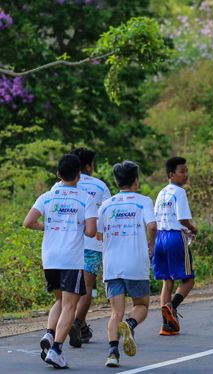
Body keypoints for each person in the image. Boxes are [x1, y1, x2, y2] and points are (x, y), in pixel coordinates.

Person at [24, 154, 98, 369]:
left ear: (58, 174)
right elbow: (92, 232)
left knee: (59, 300)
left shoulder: (47, 196)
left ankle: (49, 333)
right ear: (79, 176)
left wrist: (47, 227)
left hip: (50, 257)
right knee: (70, 305)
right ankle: (56, 349)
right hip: (70, 259)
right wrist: (78, 227)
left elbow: (28, 222)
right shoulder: (86, 198)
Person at [97, 161, 156, 367]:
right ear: (136, 181)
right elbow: (152, 225)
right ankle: (130, 325)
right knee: (141, 305)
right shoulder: (144, 201)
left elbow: (98, 234)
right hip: (135, 264)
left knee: (115, 312)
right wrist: (150, 245)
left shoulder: (106, 204)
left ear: (116, 181)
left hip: (112, 265)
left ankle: (112, 354)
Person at [50, 148, 110, 348]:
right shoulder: (100, 186)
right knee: (86, 289)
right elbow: (106, 215)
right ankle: (76, 322)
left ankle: (73, 327)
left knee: (65, 296)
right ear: (88, 166)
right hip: (92, 244)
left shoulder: (58, 186)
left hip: (64, 246)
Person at [153, 157, 198, 336]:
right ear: (171, 174)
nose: (185, 175)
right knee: (188, 279)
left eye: (186, 171)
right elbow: (182, 218)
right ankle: (172, 307)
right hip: (174, 236)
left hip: (160, 237)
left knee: (167, 281)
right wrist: (193, 228)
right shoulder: (179, 192)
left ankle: (167, 324)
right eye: (182, 171)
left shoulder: (162, 192)